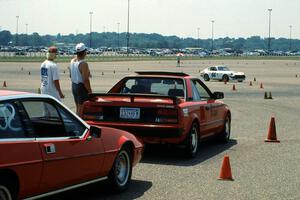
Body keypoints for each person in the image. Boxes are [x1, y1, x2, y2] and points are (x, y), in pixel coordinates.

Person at [69, 43, 92, 115]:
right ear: (84, 52)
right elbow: (85, 80)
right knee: (82, 109)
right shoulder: (83, 63)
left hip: (74, 85)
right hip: (81, 87)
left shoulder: (72, 61)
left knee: (77, 107)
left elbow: (70, 75)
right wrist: (90, 92)